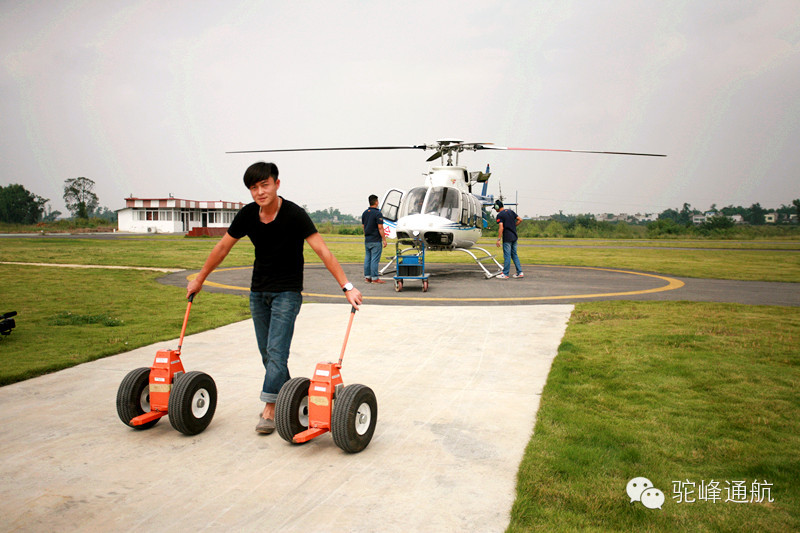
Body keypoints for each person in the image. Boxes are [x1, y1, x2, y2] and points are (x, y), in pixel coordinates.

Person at [186, 162, 362, 435]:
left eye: (264, 185)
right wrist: (200, 279)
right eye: (253, 187)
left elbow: (322, 251)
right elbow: (222, 248)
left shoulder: (294, 214)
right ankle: (292, 398)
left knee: (277, 352)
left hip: (287, 293)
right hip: (258, 292)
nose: (260, 192)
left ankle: (270, 408)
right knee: (268, 354)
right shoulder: (247, 214)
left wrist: (347, 286)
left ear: (277, 184)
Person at [361, 194, 387, 284]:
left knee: (367, 258)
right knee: (374, 259)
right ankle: (375, 278)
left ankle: (367, 277)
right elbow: (380, 227)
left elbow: (363, 226)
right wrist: (384, 239)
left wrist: (366, 235)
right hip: (376, 240)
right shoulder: (378, 213)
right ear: (376, 202)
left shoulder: (365, 213)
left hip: (367, 239)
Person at [494, 200, 523, 279]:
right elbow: (520, 219)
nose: (495, 209)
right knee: (514, 255)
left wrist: (498, 239)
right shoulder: (511, 211)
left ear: (497, 207)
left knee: (507, 256)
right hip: (514, 236)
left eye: (495, 208)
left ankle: (505, 274)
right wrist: (513, 226)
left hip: (507, 237)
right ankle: (519, 272)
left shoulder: (500, 215)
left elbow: (501, 228)